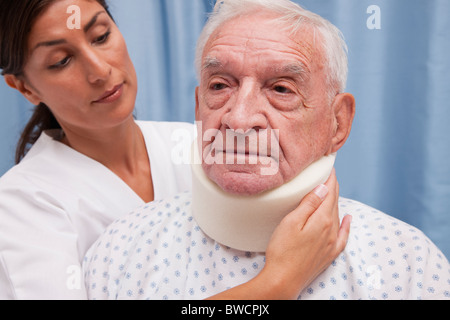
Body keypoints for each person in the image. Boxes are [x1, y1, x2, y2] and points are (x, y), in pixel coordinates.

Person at [83, 0, 450, 300]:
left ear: (338, 122)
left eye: (281, 89)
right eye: (220, 85)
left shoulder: (408, 265)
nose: (239, 120)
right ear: (198, 108)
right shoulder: (120, 252)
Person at [0, 0, 349, 300]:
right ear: (24, 87)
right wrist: (279, 283)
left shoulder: (197, 145)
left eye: (101, 36)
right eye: (61, 60)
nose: (100, 70)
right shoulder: (24, 205)